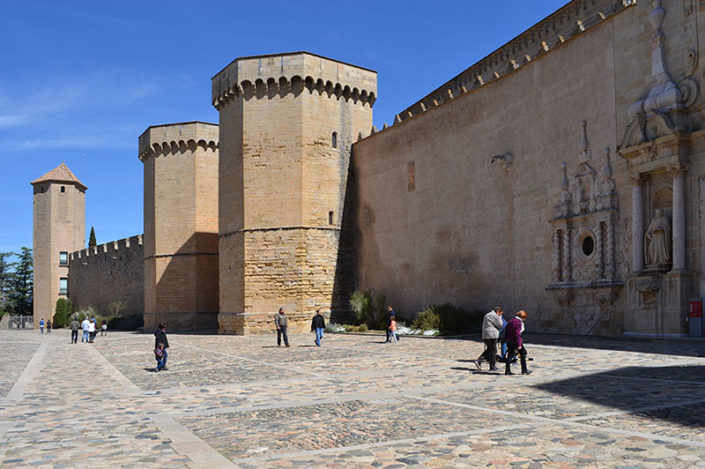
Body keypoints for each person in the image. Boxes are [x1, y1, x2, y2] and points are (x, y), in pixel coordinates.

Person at [474, 306, 503, 372]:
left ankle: (479, 360)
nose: (500, 315)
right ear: (498, 311)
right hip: (492, 335)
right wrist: (499, 318)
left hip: (486, 335)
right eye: (500, 314)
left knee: (490, 349)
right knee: (493, 350)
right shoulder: (494, 315)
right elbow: (500, 325)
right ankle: (492, 367)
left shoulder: (488, 314)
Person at [505, 310, 531, 376]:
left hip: (509, 340)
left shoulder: (510, 321)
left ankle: (507, 370)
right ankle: (524, 370)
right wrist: (519, 344)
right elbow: (517, 334)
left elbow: (506, 331)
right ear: (522, 317)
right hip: (515, 341)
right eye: (524, 318)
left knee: (510, 355)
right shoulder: (518, 322)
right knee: (523, 354)